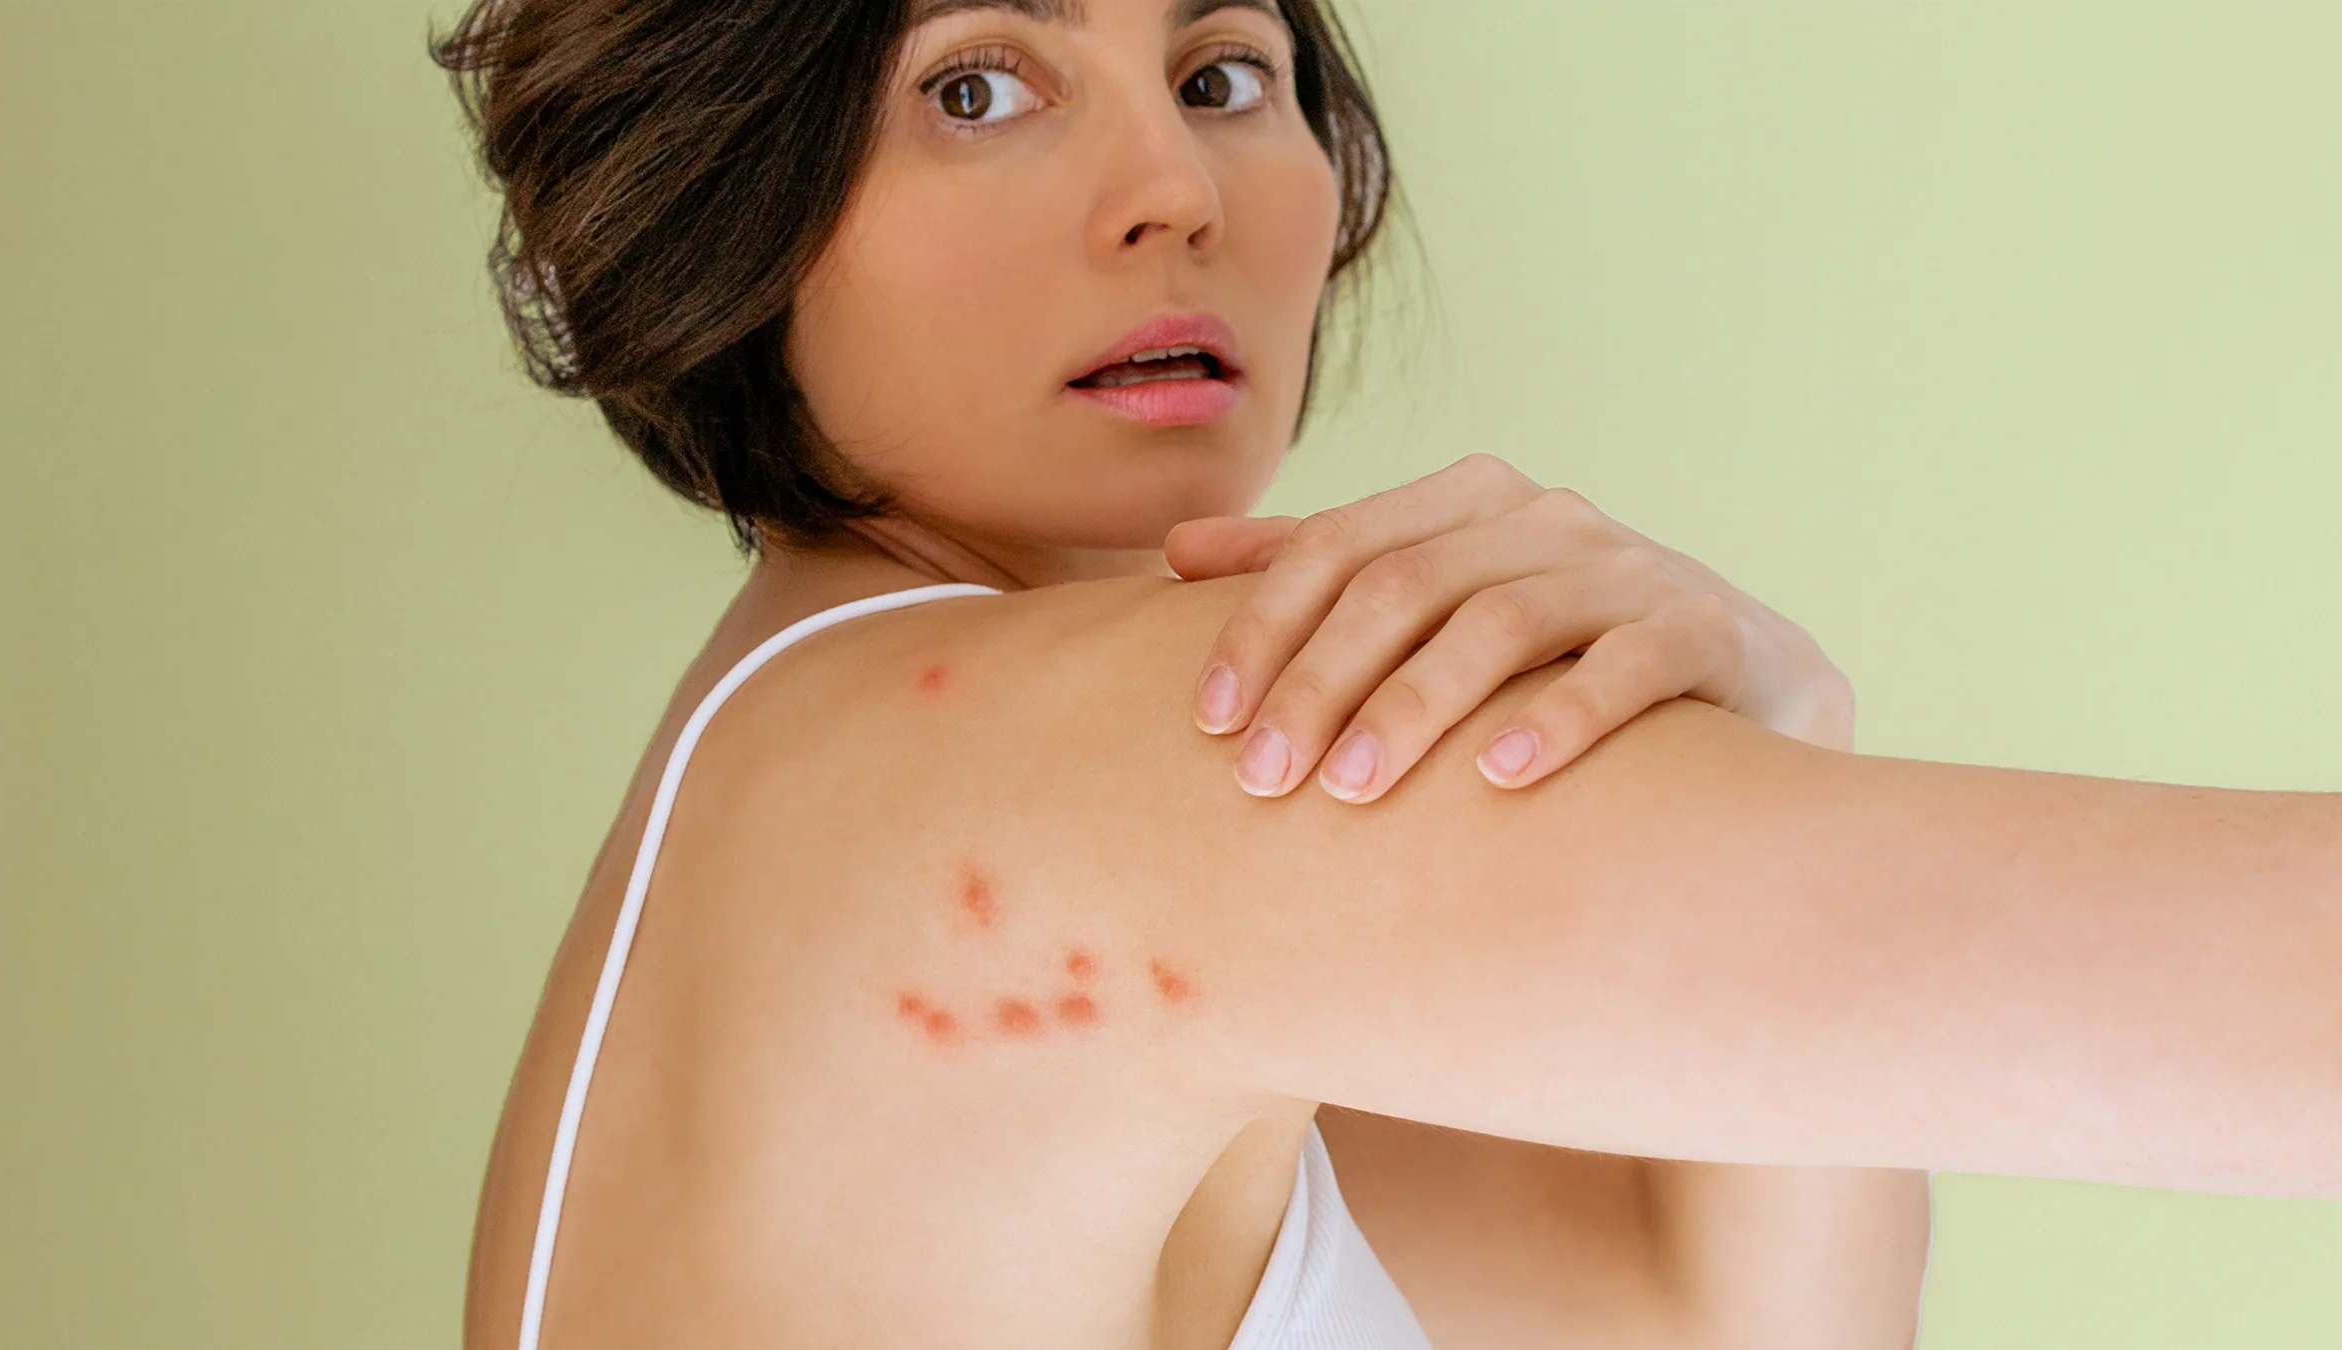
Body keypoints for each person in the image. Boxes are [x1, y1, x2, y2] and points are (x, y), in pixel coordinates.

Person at [433, 0, 2341, 1346]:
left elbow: (1710, 1323)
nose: (1169, 186)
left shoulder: (809, 760)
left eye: (1223, 68)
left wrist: (1790, 722)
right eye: (980, 85)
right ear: (728, 197)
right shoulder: (1073, 769)